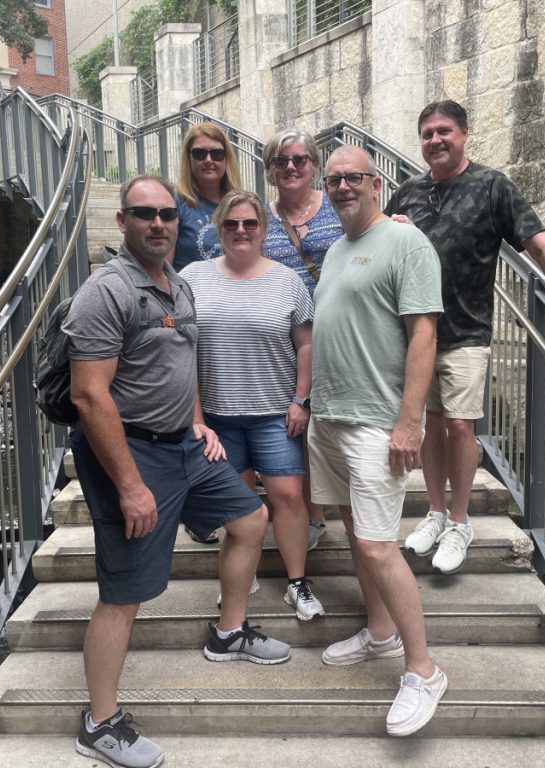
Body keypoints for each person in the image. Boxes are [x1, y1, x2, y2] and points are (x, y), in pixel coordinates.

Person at [64, 174, 290, 768]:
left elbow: (182, 362)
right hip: (131, 454)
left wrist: (197, 422)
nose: (158, 224)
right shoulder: (106, 291)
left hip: (185, 446)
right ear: (123, 222)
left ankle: (227, 633)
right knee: (125, 593)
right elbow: (90, 397)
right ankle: (99, 722)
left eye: (166, 214)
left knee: (250, 517)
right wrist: (132, 486)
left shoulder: (176, 285)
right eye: (144, 215)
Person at [386, 99, 545, 575]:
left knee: (460, 425)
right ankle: (432, 511)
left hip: (467, 332)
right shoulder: (407, 192)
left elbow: (540, 243)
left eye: (444, 131)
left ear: (464, 133)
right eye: (427, 133)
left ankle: (460, 520)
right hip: (415, 335)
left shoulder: (492, 186)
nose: (435, 140)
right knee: (428, 422)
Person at [310, 146, 447, 737]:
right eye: (333, 178)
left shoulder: (406, 243)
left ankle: (424, 670)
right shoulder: (338, 249)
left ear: (377, 181)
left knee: (376, 547)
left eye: (353, 177)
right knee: (354, 531)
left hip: (375, 421)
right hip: (330, 418)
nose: (342, 186)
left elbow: (424, 333)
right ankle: (380, 632)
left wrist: (410, 422)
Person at [181, 190, 323, 621]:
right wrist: (196, 416)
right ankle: (242, 578)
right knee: (239, 503)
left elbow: (306, 344)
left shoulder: (286, 280)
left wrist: (302, 401)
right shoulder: (192, 277)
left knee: (288, 495)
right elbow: (181, 352)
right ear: (219, 228)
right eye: (231, 224)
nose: (240, 231)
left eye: (250, 223)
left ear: (263, 229)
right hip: (219, 416)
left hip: (274, 413)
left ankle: (297, 581)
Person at [261, 129, 344, 549]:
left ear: (313, 164)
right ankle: (312, 513)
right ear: (270, 170)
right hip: (285, 340)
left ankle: (340, 505)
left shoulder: (338, 204)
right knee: (298, 423)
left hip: (341, 333)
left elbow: (373, 232)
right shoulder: (260, 217)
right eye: (281, 161)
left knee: (331, 422)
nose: (290, 167)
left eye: (299, 159)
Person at [172, 122, 242, 271]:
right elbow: (162, 268)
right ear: (189, 158)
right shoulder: (175, 203)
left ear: (226, 159)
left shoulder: (240, 205)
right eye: (200, 154)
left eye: (217, 154)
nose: (209, 160)